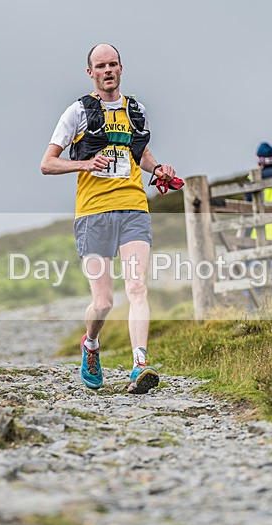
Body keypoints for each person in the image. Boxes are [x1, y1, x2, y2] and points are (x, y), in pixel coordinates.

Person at [40, 43, 177, 394]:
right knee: (103, 302)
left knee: (137, 287)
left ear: (121, 68)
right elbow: (47, 163)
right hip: (93, 213)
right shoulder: (77, 112)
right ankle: (91, 344)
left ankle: (139, 365)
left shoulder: (136, 110)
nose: (108, 70)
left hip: (133, 208)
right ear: (91, 73)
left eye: (113, 64)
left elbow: (140, 152)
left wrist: (158, 168)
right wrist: (85, 164)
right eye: (100, 66)